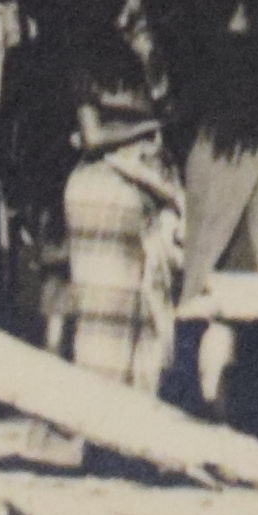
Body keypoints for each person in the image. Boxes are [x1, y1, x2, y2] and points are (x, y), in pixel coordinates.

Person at [58, 65, 185, 394]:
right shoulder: (88, 64)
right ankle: (107, 408)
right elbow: (93, 137)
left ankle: (117, 407)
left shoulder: (130, 58)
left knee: (126, 304)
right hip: (110, 191)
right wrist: (151, 125)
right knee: (109, 306)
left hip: (110, 190)